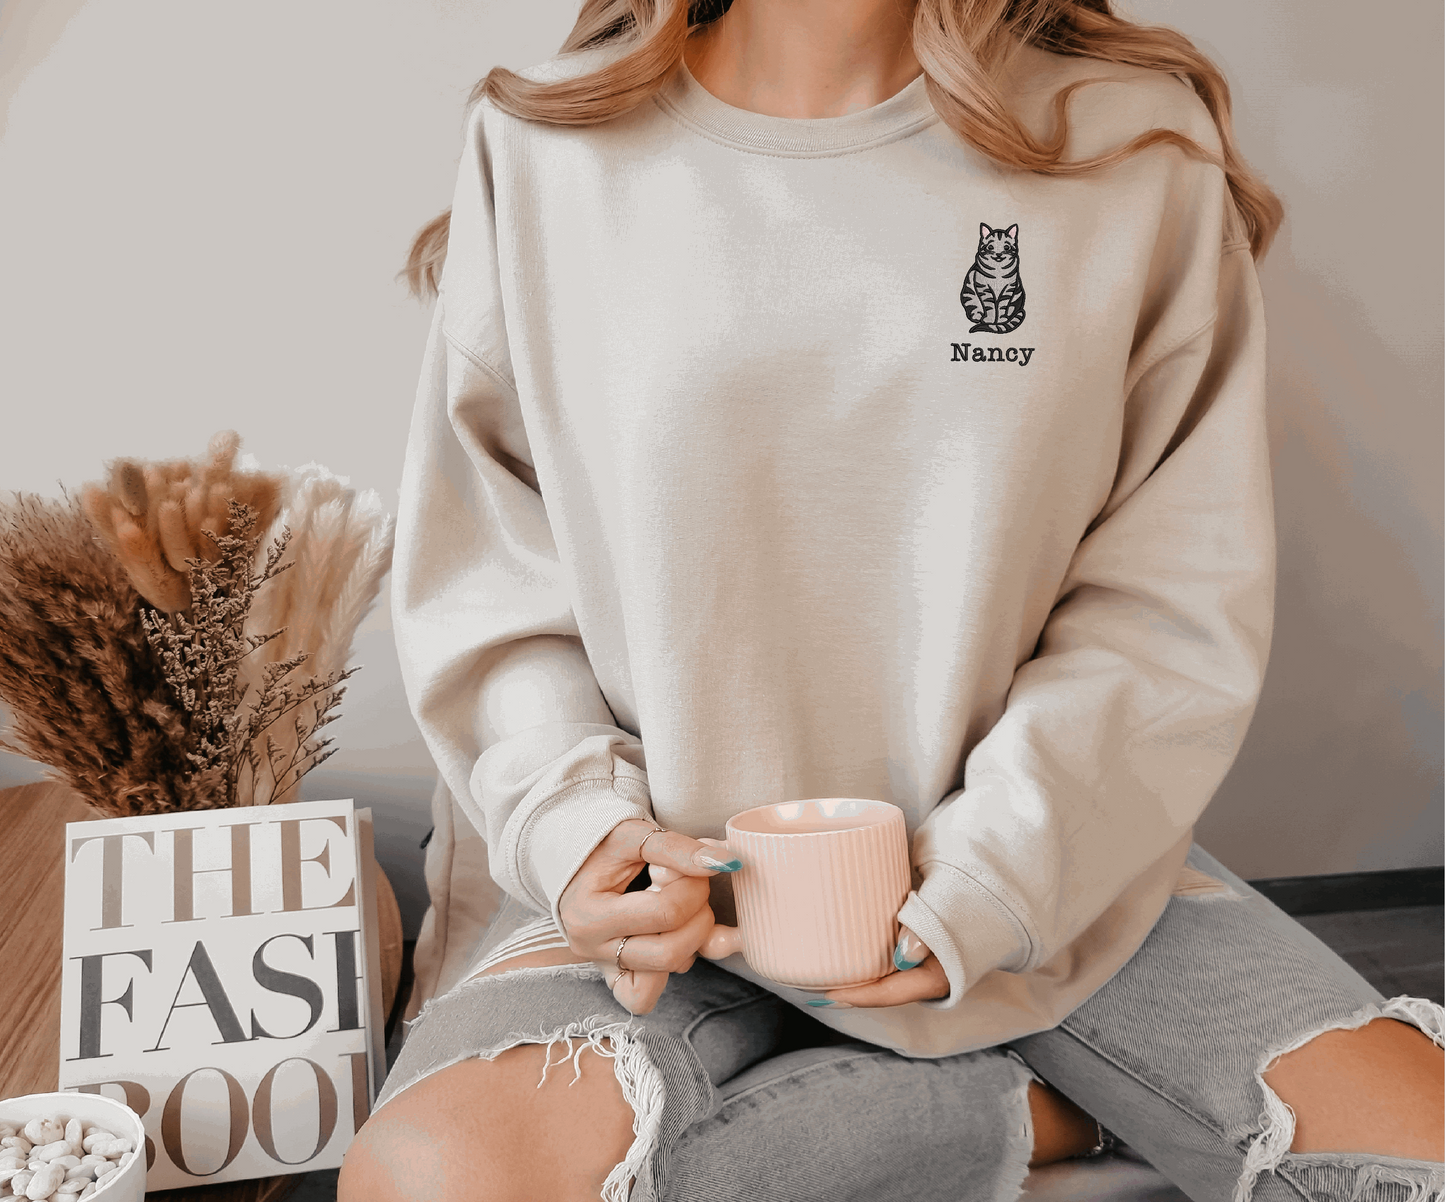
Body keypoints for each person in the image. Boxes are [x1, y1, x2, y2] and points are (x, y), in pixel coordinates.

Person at [339, 1, 1445, 1198]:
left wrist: (999, 879)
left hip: (1044, 884)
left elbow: (1166, 599)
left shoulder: (1126, 143)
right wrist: (583, 831)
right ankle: (1025, 1106)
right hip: (672, 904)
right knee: (426, 1180)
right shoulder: (542, 142)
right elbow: (491, 570)